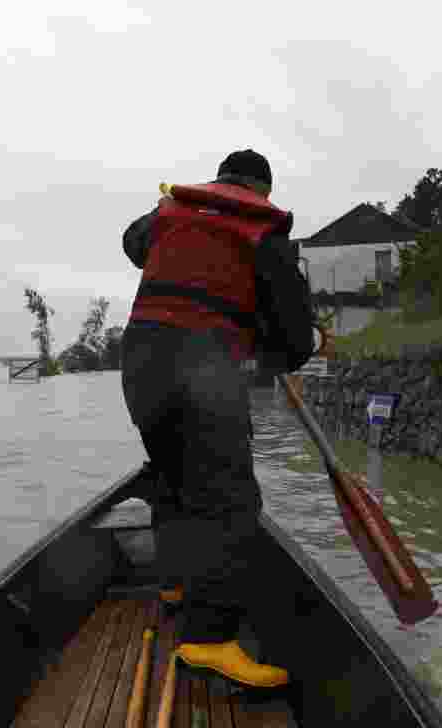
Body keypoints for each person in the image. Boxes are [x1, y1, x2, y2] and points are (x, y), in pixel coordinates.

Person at [120, 149, 314, 688]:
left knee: (175, 480)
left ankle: (175, 585)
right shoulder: (264, 234)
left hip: (138, 365)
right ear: (263, 193)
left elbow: (132, 244)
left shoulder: (169, 213)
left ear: (220, 180)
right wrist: (271, 351)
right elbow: (294, 341)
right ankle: (208, 640)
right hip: (200, 372)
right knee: (229, 504)